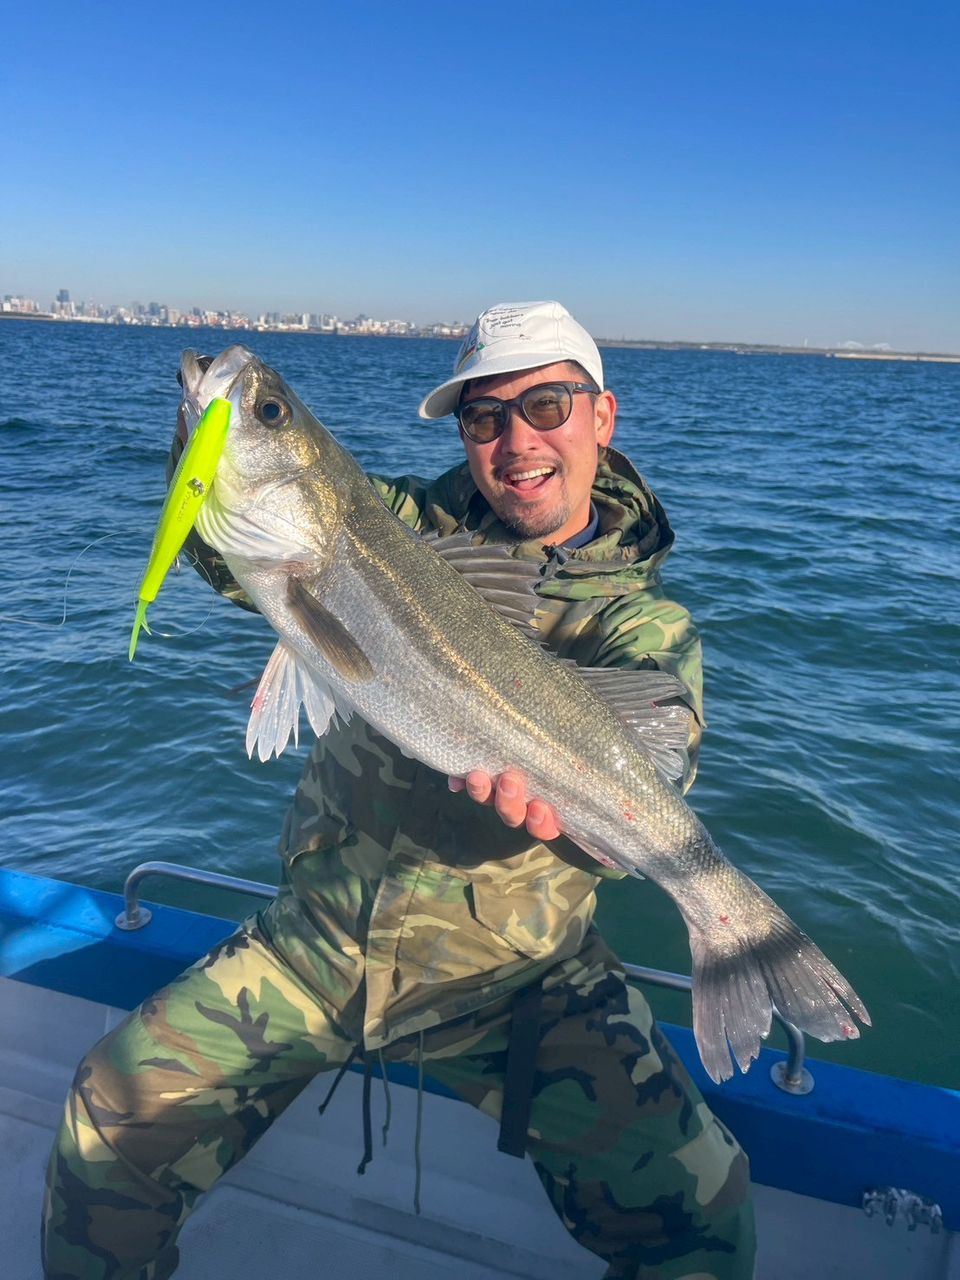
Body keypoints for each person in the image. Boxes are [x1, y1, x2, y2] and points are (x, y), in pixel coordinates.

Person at [42, 301, 755, 1279]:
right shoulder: (396, 525)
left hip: (514, 978)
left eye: (545, 404)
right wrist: (207, 436)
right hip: (318, 942)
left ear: (602, 415)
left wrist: (606, 831)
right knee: (102, 1118)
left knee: (705, 1209)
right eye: (483, 418)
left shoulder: (645, 623)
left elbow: (663, 748)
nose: (516, 440)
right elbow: (225, 548)